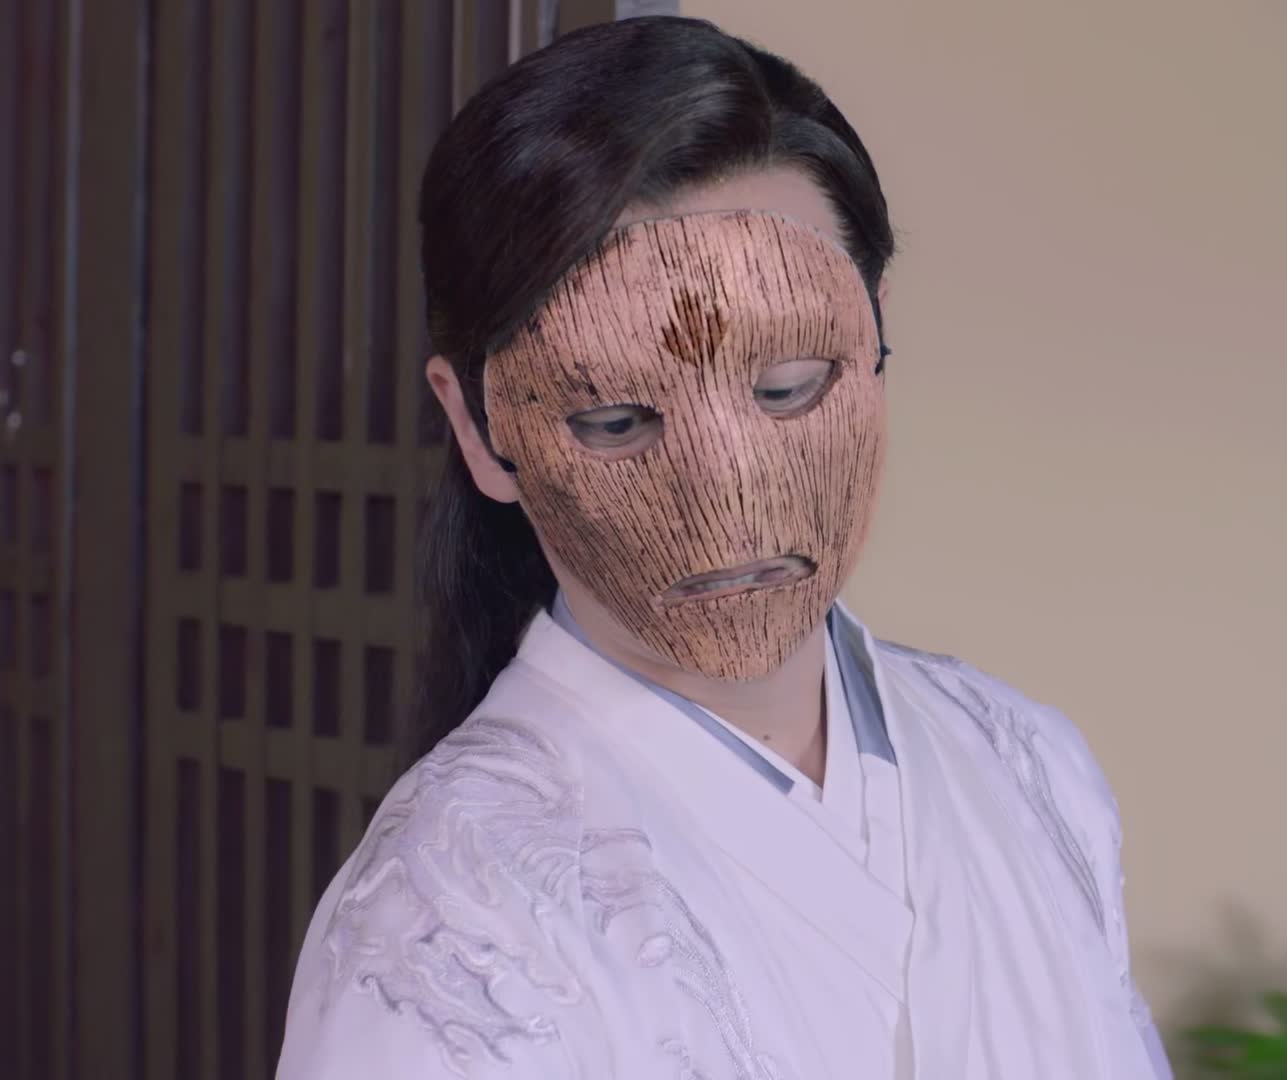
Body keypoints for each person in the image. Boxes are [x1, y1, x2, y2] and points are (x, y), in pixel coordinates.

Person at [277, 16, 1169, 1080]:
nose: (728, 489)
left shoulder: (1026, 762)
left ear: (875, 340)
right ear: (476, 427)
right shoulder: (441, 933)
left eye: (788, 386)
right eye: (616, 420)